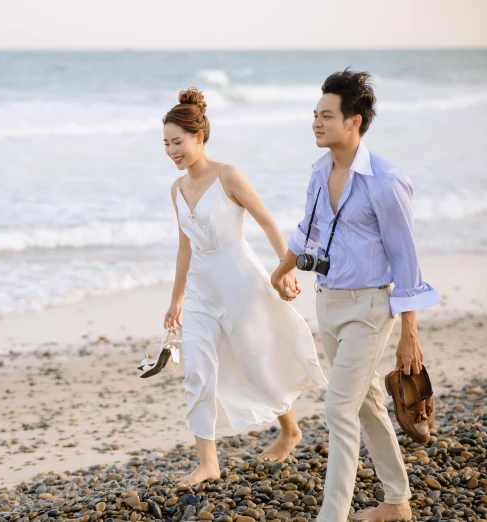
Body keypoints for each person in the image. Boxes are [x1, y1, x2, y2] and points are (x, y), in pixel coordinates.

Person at [271, 69, 441, 522]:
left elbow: (407, 260)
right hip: (327, 301)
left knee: (337, 407)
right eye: (314, 114)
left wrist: (410, 334)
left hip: (370, 308)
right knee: (363, 401)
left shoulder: (385, 181)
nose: (316, 123)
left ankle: (333, 514)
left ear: (355, 121)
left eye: (326, 115)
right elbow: (307, 230)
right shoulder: (319, 170)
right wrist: (281, 269)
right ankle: (397, 501)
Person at [162, 87, 327, 487]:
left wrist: (285, 268)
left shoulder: (228, 175)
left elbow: (268, 222)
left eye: (178, 142)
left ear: (199, 137)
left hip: (239, 280)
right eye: (166, 144)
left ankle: (290, 429)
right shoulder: (176, 189)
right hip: (201, 290)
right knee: (197, 372)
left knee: (255, 361)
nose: (172, 151)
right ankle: (207, 463)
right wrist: (176, 300)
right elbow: (184, 247)